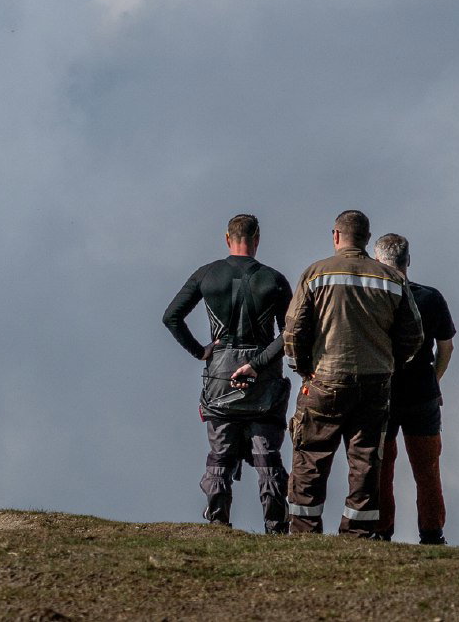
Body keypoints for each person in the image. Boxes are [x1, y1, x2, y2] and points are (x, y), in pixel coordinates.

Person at [234, 210, 423, 537]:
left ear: (336, 235)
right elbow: (414, 336)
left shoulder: (315, 274)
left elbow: (293, 331)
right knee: (365, 461)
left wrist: (304, 367)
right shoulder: (392, 280)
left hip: (324, 380)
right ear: (366, 238)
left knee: (311, 457)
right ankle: (358, 535)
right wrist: (388, 363)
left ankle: (305, 531)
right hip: (375, 383)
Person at [162, 214, 293, 533]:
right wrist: (259, 363)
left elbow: (171, 317)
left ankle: (218, 518)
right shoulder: (274, 279)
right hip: (262, 379)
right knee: (266, 454)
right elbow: (290, 333)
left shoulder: (207, 274)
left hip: (219, 376)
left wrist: (201, 351)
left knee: (220, 452)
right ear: (257, 238)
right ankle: (275, 526)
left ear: (226, 238)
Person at [371, 233, 456, 545]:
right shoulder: (430, 297)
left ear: (378, 262)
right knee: (427, 467)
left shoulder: (373, 299)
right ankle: (432, 533)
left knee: (381, 466)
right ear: (408, 261)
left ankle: (381, 531)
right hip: (422, 393)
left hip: (382, 392)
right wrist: (435, 379)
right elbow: (446, 348)